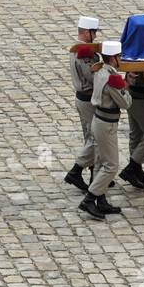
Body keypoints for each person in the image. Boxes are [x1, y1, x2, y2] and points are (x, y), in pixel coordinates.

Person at [79, 40, 130, 219]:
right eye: (119, 57)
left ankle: (100, 200)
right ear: (114, 58)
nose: (121, 59)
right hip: (107, 123)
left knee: (101, 163)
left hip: (99, 119)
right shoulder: (113, 78)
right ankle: (89, 199)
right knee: (111, 165)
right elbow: (126, 103)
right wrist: (126, 85)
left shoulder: (100, 70)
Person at [64, 16, 101, 192]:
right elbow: (92, 77)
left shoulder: (79, 48)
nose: (95, 36)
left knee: (90, 136)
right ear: (87, 32)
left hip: (83, 97)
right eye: (94, 32)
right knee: (95, 138)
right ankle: (76, 171)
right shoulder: (84, 52)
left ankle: (96, 175)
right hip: (88, 98)